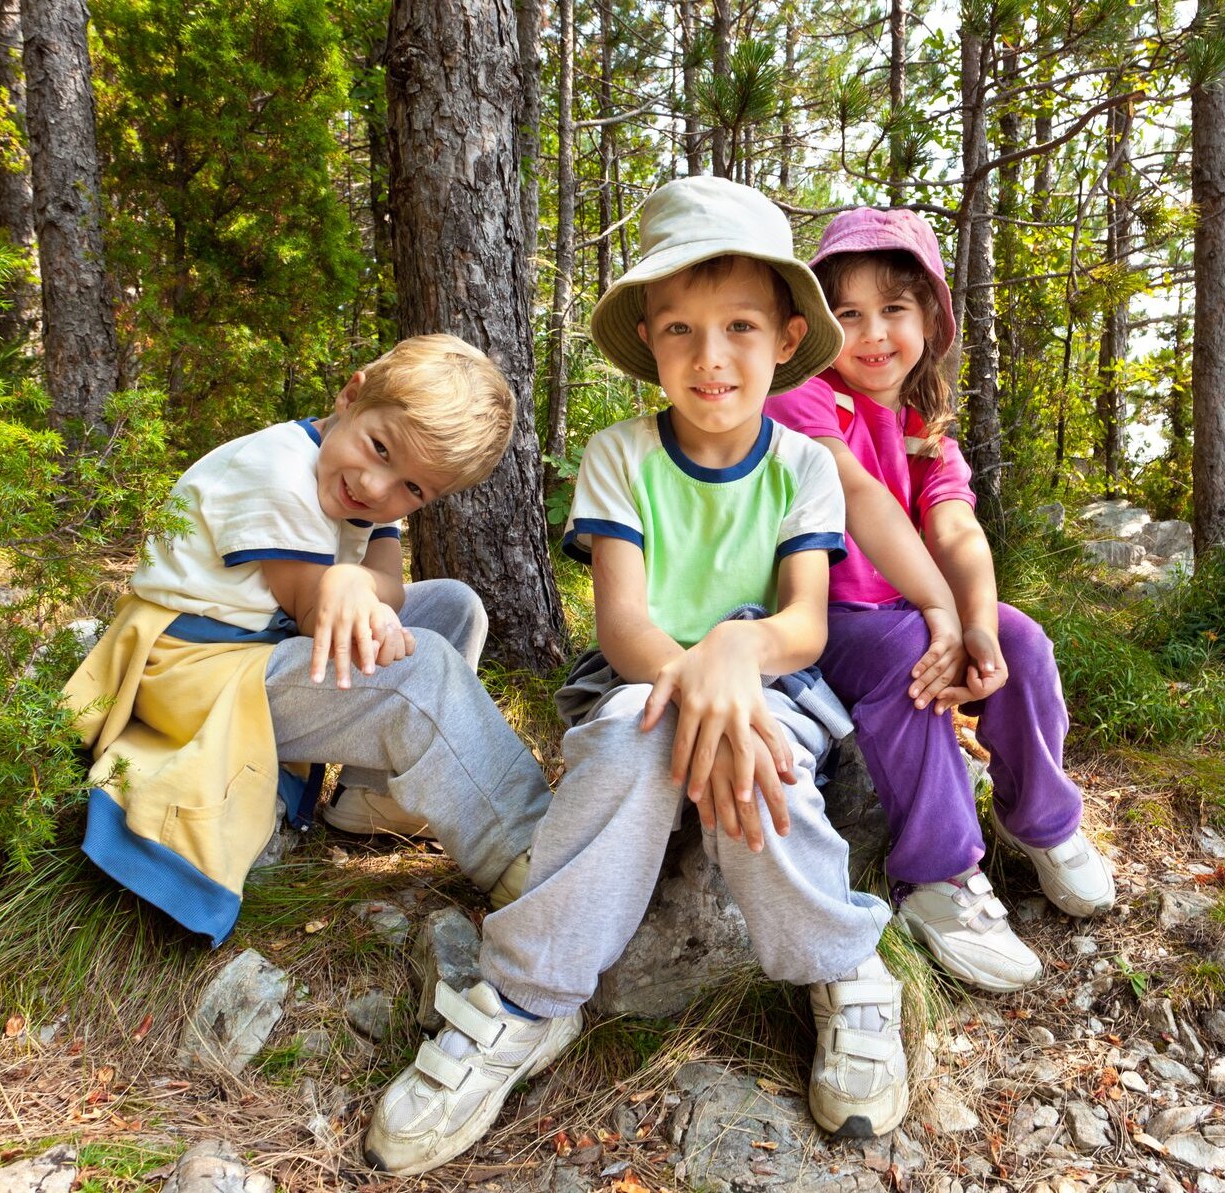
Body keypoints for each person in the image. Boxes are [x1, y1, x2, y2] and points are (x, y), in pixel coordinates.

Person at [363, 177, 904, 1176]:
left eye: (741, 326)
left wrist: (738, 655)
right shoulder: (622, 456)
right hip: (640, 675)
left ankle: (842, 965)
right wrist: (696, 674)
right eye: (682, 331)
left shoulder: (804, 467)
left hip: (770, 682)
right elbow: (622, 621)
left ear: (787, 336)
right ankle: (527, 996)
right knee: (631, 737)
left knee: (760, 755)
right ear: (648, 338)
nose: (711, 357)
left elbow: (803, 621)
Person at [68, 335, 547, 945]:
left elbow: (390, 591)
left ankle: (374, 801)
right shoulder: (276, 472)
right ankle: (528, 858)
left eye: (413, 490)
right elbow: (319, 616)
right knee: (422, 671)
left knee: (453, 605)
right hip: (197, 672)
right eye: (379, 448)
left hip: (263, 647)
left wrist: (354, 578)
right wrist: (350, 585)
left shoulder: (365, 487)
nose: (377, 489)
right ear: (352, 394)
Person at [765, 207, 1117, 993]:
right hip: (817, 616)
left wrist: (978, 627)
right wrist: (938, 617)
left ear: (929, 316)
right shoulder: (805, 399)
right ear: (814, 327)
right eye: (845, 314)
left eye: (892, 309)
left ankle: (1041, 820)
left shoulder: (925, 426)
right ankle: (936, 876)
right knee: (909, 657)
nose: (871, 333)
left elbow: (954, 528)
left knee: (1021, 641)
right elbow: (853, 495)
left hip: (905, 606)